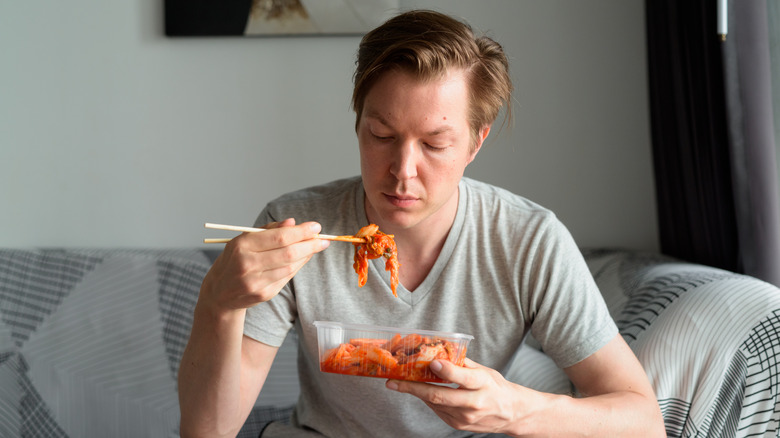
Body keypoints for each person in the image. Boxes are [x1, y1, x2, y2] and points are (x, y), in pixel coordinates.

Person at [178, 9, 666, 438]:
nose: (402, 171)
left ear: (475, 143)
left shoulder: (528, 241)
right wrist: (218, 304)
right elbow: (207, 431)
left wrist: (515, 410)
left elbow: (644, 422)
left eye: (434, 144)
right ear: (358, 123)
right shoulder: (294, 226)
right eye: (381, 134)